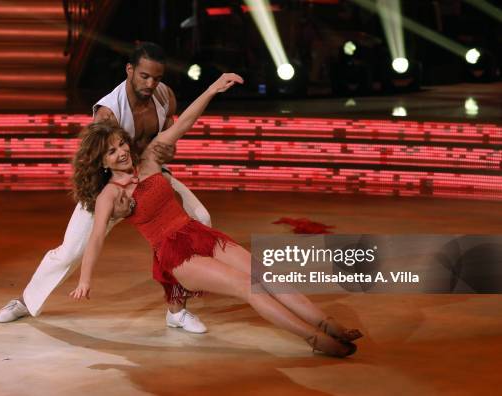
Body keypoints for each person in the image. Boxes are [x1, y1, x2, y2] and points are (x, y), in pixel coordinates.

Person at [69, 73, 362, 357]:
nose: (121, 152)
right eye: (111, 152)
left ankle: (326, 323)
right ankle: (314, 339)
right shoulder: (110, 194)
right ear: (102, 162)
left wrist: (212, 89)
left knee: (264, 275)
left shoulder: (148, 160)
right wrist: (85, 279)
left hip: (198, 233)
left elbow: (184, 123)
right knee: (249, 287)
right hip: (176, 254)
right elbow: (95, 239)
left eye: (121, 144)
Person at [0, 42, 209, 333]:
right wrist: (112, 200)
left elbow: (165, 140)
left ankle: (177, 310)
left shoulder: (165, 96)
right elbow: (95, 162)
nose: (151, 83)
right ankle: (24, 301)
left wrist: (162, 161)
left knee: (199, 220)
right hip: (110, 185)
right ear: (130, 70)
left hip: (149, 178)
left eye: (157, 77)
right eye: (145, 76)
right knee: (71, 251)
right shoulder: (108, 112)